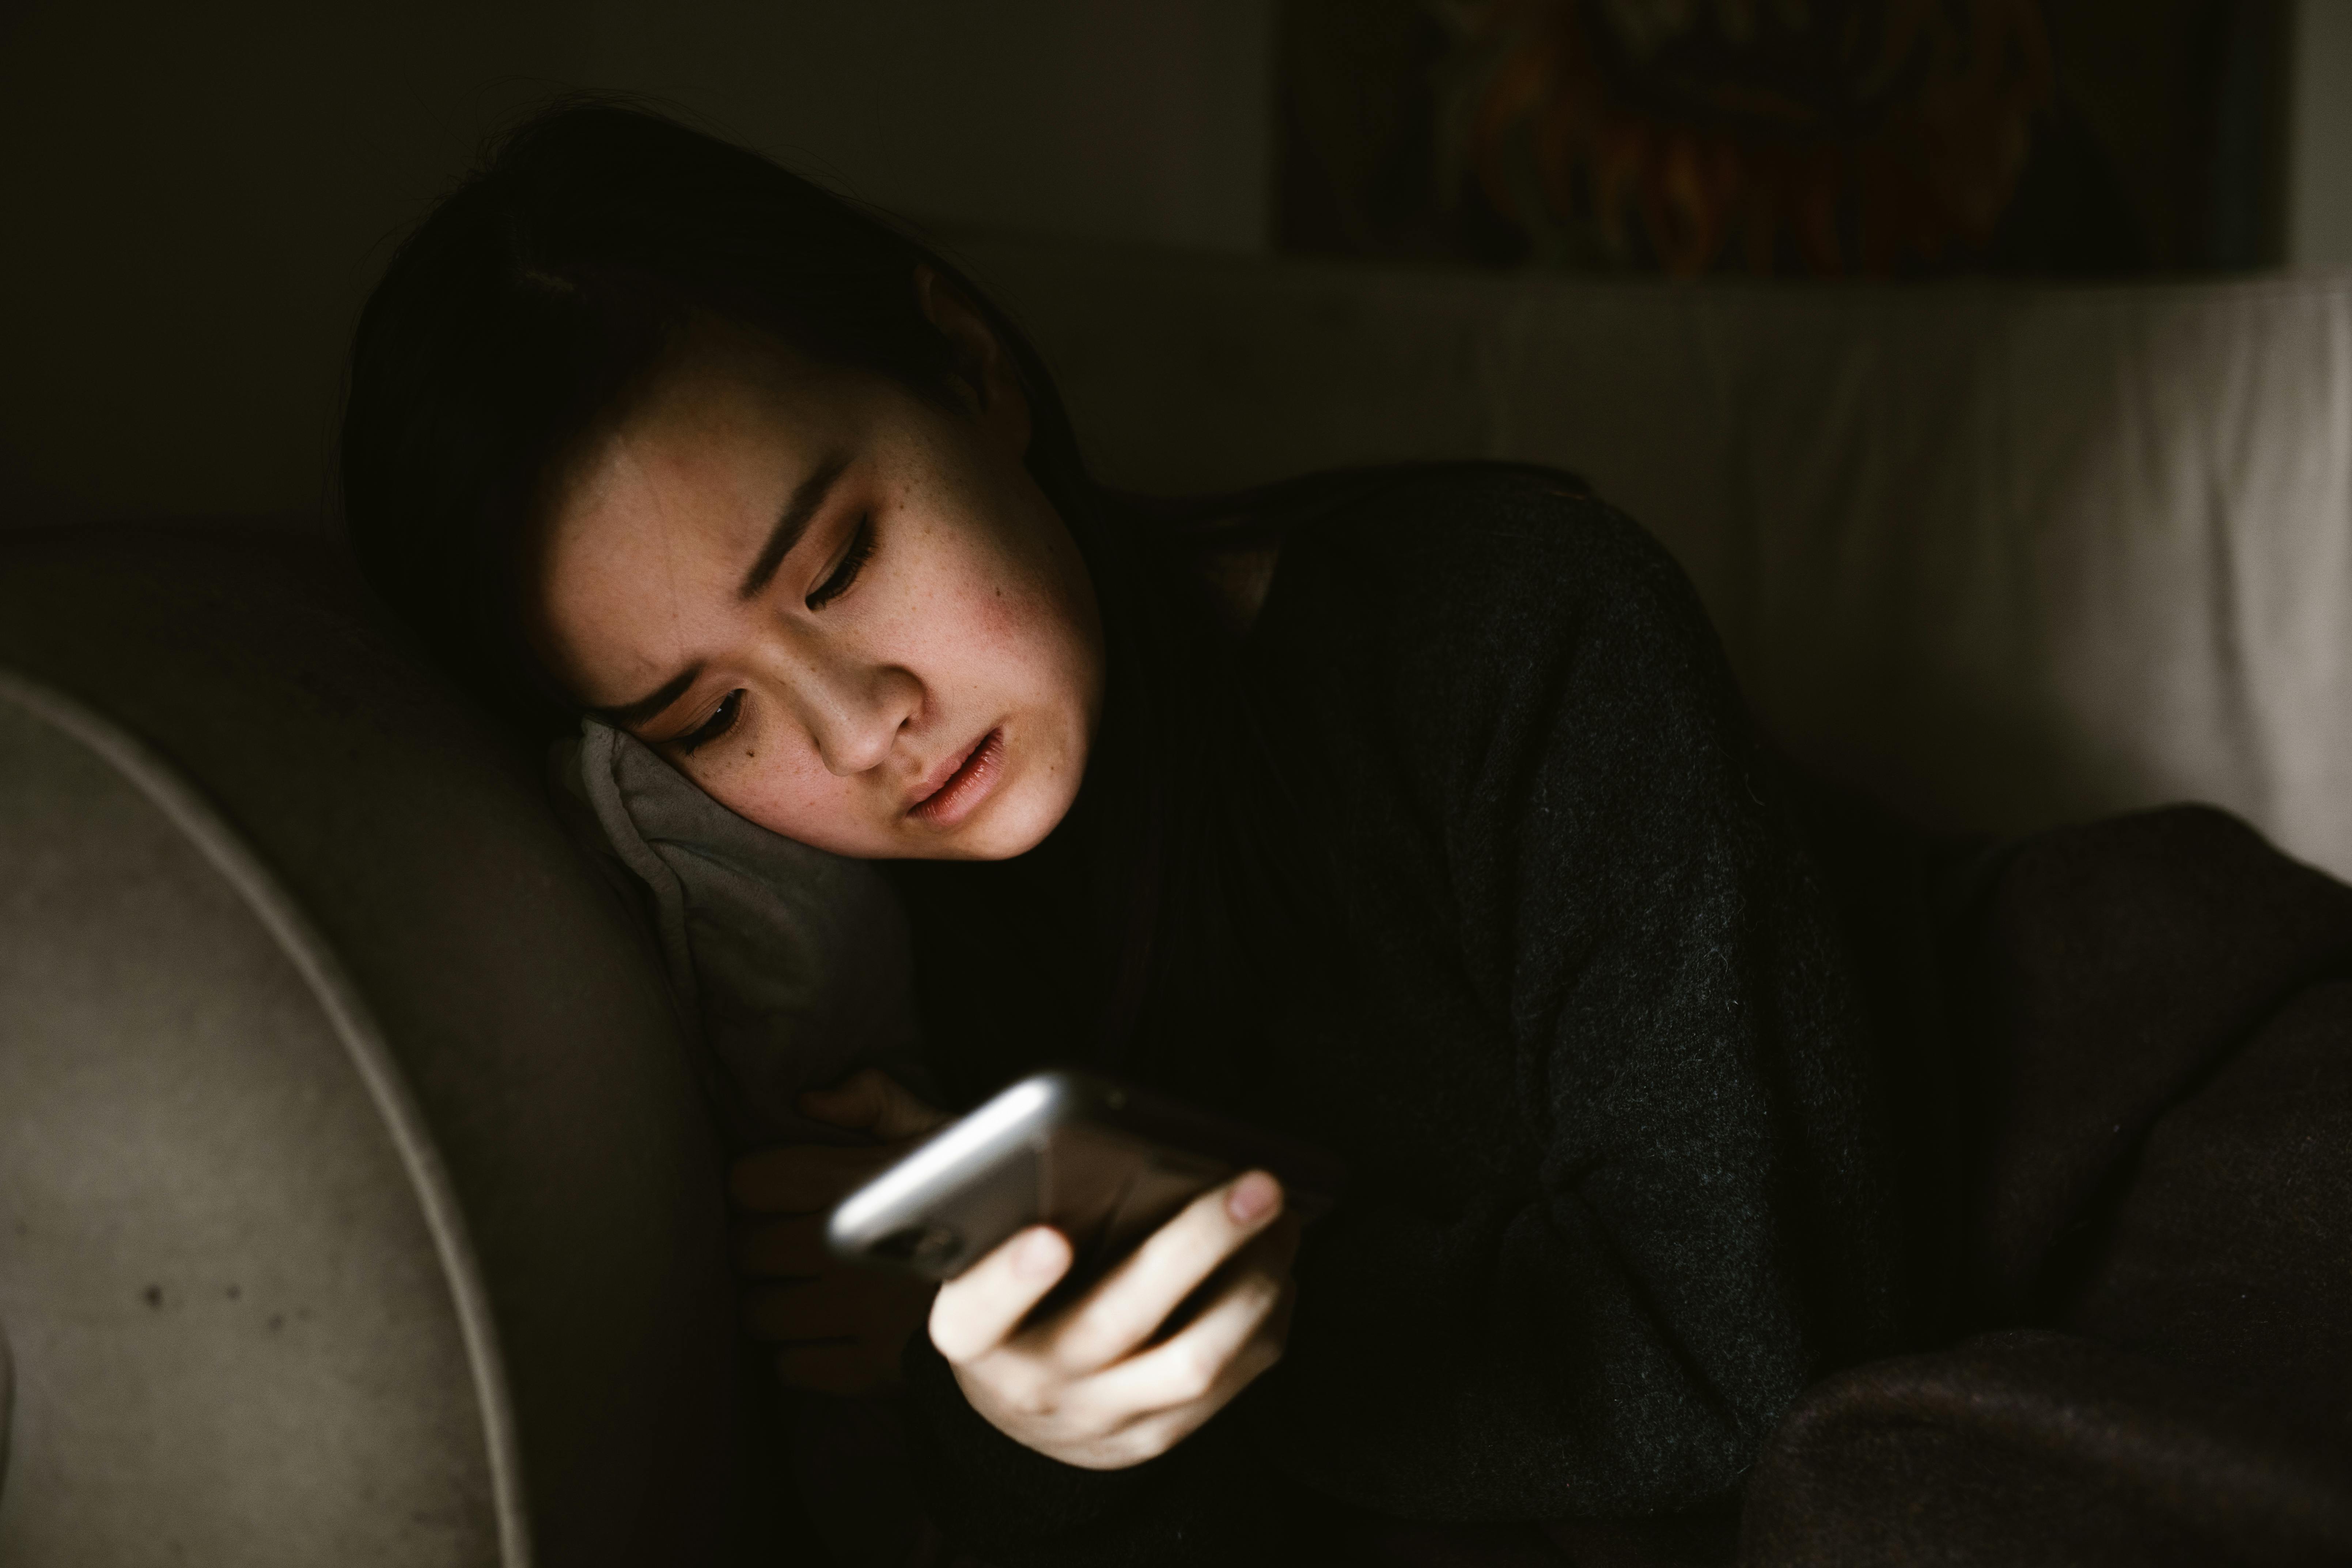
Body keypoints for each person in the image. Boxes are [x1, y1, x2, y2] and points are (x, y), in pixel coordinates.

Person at [338, 101, 2352, 1567]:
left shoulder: (1500, 613)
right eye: (708, 715)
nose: (861, 728)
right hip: (1885, 1386)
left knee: (1896, 1518)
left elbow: (1733, 1350)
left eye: (841, 560)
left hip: (2173, 1110)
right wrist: (1033, 1409)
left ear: (967, 373)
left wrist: (1258, 1322)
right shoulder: (901, 1011)